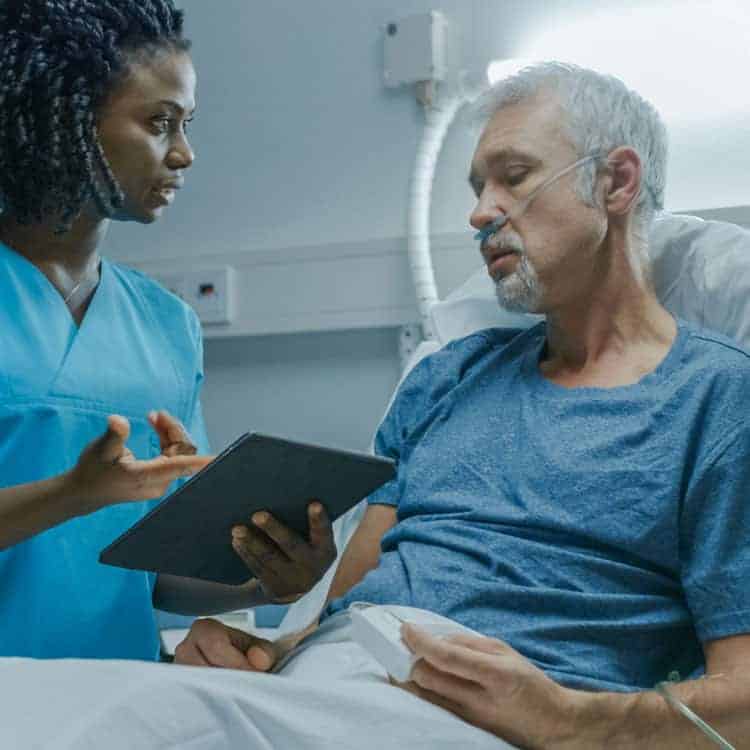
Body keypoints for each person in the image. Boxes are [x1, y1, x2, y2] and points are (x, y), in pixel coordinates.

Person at [1, 62, 749, 749]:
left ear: (616, 182)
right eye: (475, 187)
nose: (480, 213)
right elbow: (349, 606)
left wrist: (567, 718)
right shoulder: (449, 378)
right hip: (346, 680)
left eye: (514, 177)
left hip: (488, 710)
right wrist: (268, 652)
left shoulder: (716, 402)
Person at [0, 0, 335, 662]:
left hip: (117, 700)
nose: (184, 154)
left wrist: (263, 578)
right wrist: (72, 494)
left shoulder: (167, 325)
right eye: (159, 124)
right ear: (62, 122)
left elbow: (154, 574)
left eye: (186, 125)